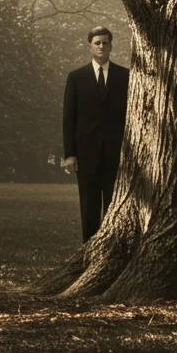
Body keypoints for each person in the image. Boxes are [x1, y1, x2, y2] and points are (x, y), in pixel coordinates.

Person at [62, 27, 130, 242]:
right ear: (89, 45)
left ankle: (111, 246)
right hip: (85, 153)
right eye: (97, 43)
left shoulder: (125, 76)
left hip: (116, 152)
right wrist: (70, 154)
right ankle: (89, 248)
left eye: (105, 43)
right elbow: (69, 118)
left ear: (111, 45)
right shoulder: (76, 77)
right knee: (89, 205)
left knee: (114, 203)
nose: (101, 46)